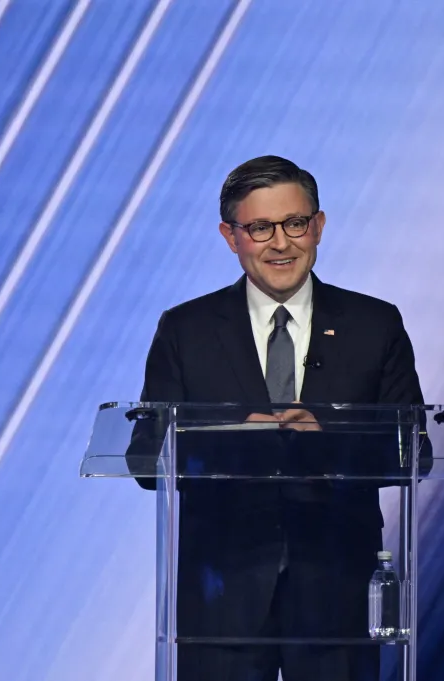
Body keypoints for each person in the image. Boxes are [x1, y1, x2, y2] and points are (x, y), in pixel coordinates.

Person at [131, 155, 427, 681]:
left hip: (336, 589)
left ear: (319, 226)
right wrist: (231, 439)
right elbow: (144, 460)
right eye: (260, 228)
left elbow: (413, 453)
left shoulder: (374, 324)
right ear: (230, 236)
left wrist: (327, 439)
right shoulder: (186, 329)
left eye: (294, 223)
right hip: (222, 592)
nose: (281, 243)